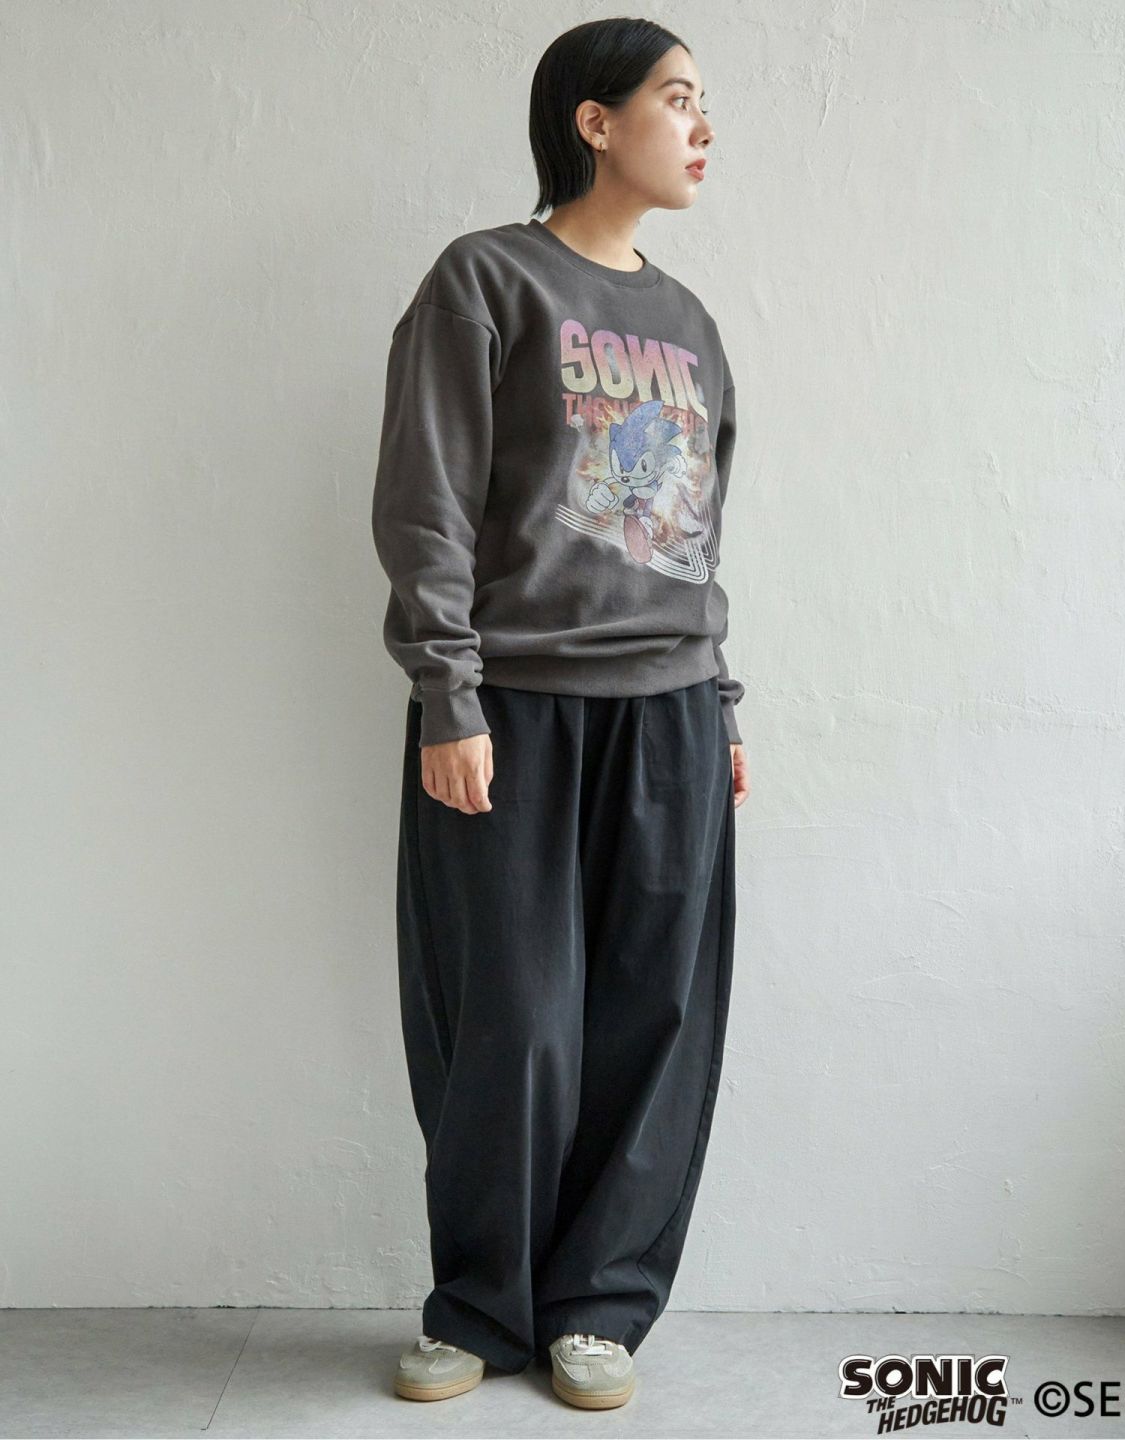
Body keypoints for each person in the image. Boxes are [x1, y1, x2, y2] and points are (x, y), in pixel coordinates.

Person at [371, 16, 750, 1412]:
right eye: (677, 99)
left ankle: (599, 1304)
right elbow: (427, 502)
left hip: (673, 713)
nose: (703, 127)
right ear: (595, 121)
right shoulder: (486, 280)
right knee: (509, 1020)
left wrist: (724, 707)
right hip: (513, 709)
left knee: (654, 1020)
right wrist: (447, 694)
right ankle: (480, 1302)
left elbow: (697, 536)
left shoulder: (690, 325)